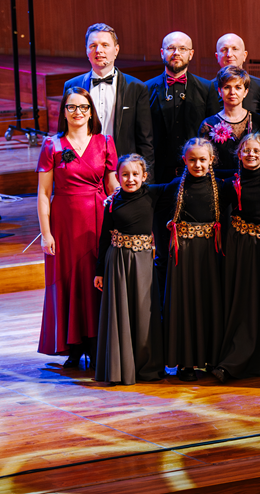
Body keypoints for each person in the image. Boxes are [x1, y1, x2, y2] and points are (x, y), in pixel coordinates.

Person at [36, 88, 118, 368]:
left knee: (95, 278)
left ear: (91, 112)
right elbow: (43, 194)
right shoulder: (52, 145)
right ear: (64, 112)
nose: (78, 112)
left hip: (97, 220)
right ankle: (73, 346)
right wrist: (46, 234)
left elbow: (113, 186)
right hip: (64, 224)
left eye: (83, 107)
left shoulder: (105, 142)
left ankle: (97, 344)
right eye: (71, 107)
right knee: (68, 280)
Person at [160, 137, 230, 382]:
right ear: (184, 160)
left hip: (210, 253)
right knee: (185, 304)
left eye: (202, 159)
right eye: (192, 160)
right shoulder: (174, 186)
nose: (197, 164)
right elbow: (151, 201)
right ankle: (186, 362)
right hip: (183, 254)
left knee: (209, 301)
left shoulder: (220, 186)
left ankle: (211, 358)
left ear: (212, 160)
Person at [93, 154, 164, 385]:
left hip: (143, 261)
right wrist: (100, 271)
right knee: (120, 313)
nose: (130, 179)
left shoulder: (152, 194)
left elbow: (182, 184)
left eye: (135, 174)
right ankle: (121, 368)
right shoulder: (112, 202)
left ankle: (147, 367)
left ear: (145, 176)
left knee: (144, 312)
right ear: (117, 176)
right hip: (118, 262)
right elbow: (104, 238)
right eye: (125, 174)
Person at [211, 133, 260, 382]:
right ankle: (234, 358)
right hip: (239, 247)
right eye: (246, 150)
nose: (251, 154)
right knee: (240, 301)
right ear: (239, 154)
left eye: (256, 151)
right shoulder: (231, 184)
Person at [63, 23, 154, 168]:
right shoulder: (72, 86)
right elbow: (65, 131)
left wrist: (147, 177)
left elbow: (145, 140)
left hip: (122, 168)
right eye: (93, 45)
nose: (99, 50)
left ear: (116, 50)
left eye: (105, 45)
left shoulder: (136, 88)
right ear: (86, 50)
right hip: (83, 166)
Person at [145, 31, 219, 183]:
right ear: (162, 53)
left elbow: (213, 132)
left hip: (197, 170)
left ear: (191, 54)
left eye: (182, 49)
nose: (176, 53)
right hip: (158, 172)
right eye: (171, 48)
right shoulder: (145, 88)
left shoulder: (206, 88)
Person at [198, 66, 260, 173]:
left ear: (245, 92)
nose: (232, 92)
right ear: (219, 91)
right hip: (218, 179)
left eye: (238, 87)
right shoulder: (208, 124)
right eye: (227, 87)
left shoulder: (258, 120)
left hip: (250, 179)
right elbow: (202, 158)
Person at [214, 33, 260, 123]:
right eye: (224, 50)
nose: (229, 54)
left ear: (244, 55)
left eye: (235, 49)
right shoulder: (208, 87)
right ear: (217, 57)